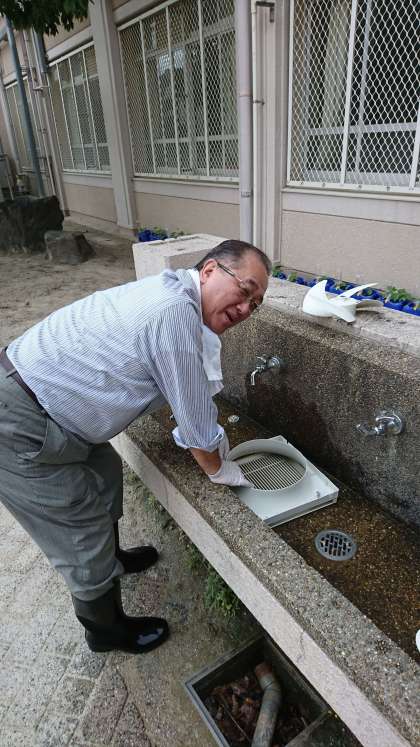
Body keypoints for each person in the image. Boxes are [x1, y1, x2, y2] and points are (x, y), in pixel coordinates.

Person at [0, 239, 271, 655]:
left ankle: (115, 559)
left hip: (45, 400)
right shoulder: (173, 314)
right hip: (21, 423)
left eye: (256, 304)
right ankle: (106, 632)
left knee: (105, 474)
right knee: (80, 530)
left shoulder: (173, 292)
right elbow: (197, 425)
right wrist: (222, 470)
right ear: (209, 271)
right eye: (245, 290)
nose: (246, 308)